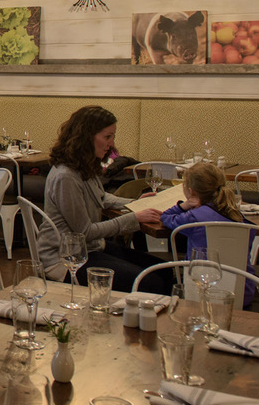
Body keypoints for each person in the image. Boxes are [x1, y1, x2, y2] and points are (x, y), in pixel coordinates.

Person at [37, 105, 169, 293]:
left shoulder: (82, 166)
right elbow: (85, 231)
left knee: (165, 271)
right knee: (151, 282)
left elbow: (101, 196)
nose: (111, 144)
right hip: (65, 259)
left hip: (89, 248)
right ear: (86, 137)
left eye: (112, 136)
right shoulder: (66, 176)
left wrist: (135, 204)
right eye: (107, 137)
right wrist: (133, 218)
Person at [135, 161, 257, 307]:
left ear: (190, 191)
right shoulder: (236, 215)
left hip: (200, 293)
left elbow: (165, 217)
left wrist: (182, 206)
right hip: (243, 293)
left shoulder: (195, 218)